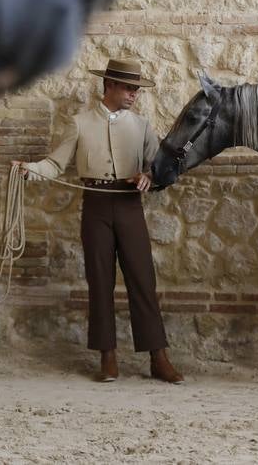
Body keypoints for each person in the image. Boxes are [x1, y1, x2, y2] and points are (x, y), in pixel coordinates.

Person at [12, 57, 183, 384]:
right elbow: (55, 164)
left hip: (130, 205)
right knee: (99, 280)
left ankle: (158, 357)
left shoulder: (143, 125)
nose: (134, 94)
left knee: (143, 280)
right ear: (110, 86)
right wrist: (28, 170)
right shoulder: (79, 123)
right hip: (96, 206)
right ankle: (107, 357)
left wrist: (149, 176)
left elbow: (159, 169)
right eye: (129, 88)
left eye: (137, 89)